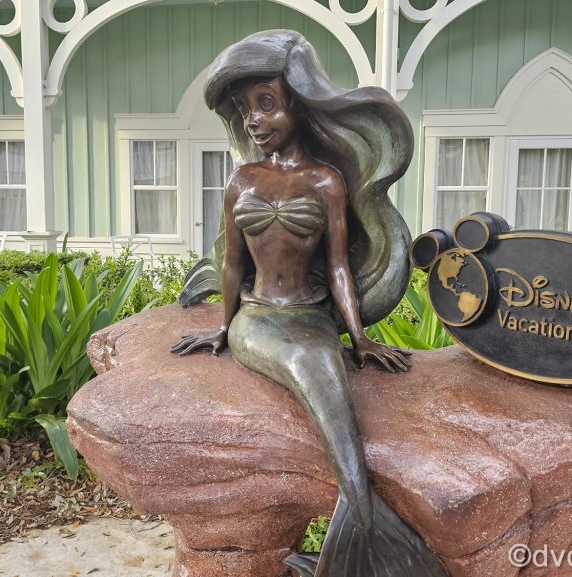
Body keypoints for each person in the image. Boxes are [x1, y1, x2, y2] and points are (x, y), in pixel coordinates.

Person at [171, 30, 448, 577]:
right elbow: (232, 264)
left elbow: (340, 265)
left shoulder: (326, 181)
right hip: (260, 318)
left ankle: (360, 531)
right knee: (307, 364)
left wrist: (359, 335)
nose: (254, 121)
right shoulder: (241, 179)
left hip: (311, 315)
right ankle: (367, 529)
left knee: (323, 370)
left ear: (299, 102)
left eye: (266, 104)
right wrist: (223, 329)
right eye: (246, 110)